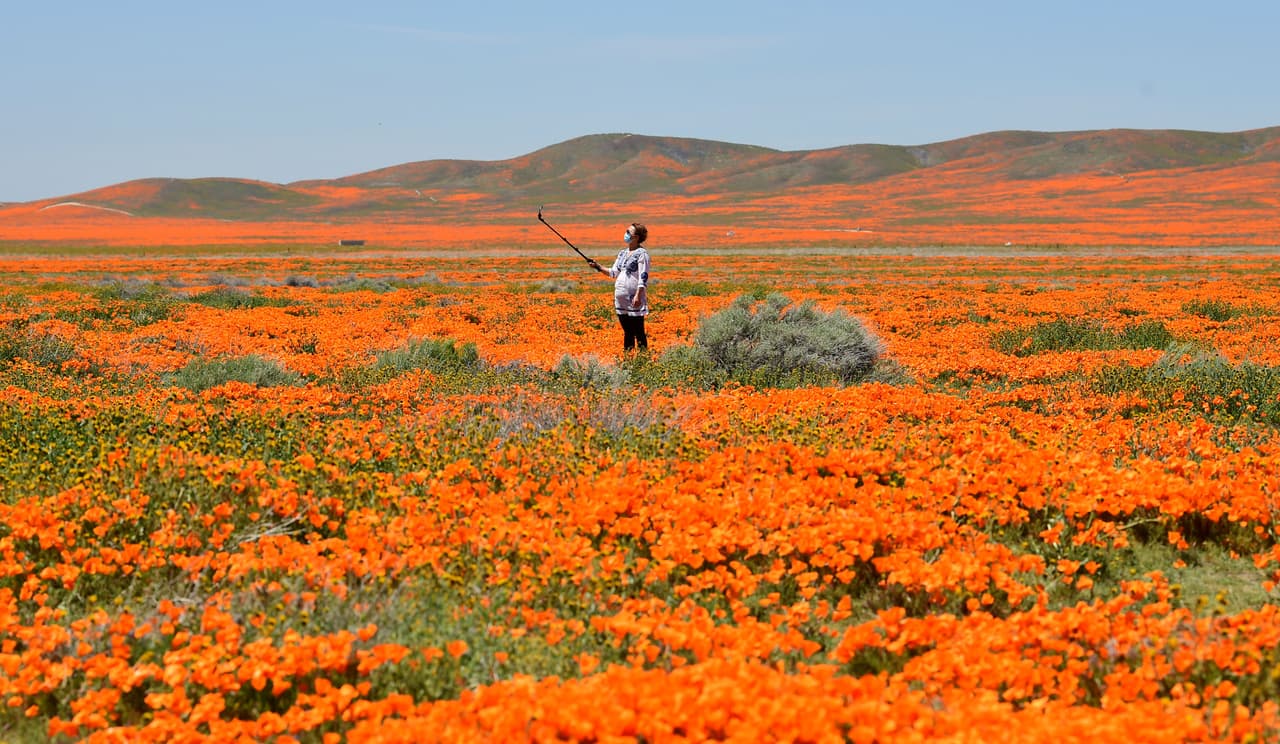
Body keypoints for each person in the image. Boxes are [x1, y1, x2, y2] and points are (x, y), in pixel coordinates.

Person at [588, 222, 650, 352]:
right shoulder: (622, 253)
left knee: (638, 331)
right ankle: (628, 360)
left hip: (634, 298)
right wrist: (598, 267)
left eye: (629, 232)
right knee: (627, 331)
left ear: (637, 237)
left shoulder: (642, 254)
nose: (626, 234)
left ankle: (643, 360)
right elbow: (613, 273)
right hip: (621, 299)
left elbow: (643, 276)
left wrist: (639, 295)